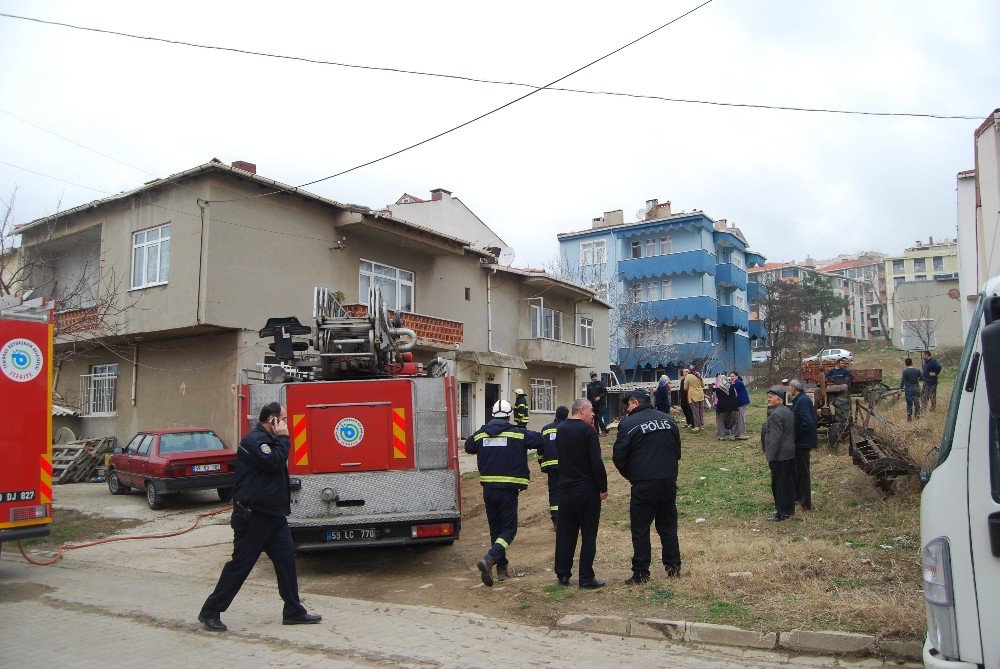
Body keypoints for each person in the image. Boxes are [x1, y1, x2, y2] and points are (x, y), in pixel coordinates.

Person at [198, 402, 321, 631]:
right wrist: (285, 438)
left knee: (286, 562)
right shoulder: (255, 441)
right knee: (240, 566)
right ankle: (210, 611)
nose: (286, 424)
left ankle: (293, 610)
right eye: (283, 419)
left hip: (274, 516)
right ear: (272, 419)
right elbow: (274, 463)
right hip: (254, 517)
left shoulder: (270, 440)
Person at [465, 399, 544, 586]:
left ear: (492, 415)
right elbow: (539, 439)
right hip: (508, 490)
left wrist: (482, 433)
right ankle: (490, 558)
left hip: (489, 490)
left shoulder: (480, 435)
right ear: (509, 416)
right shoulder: (518, 434)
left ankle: (501, 569)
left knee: (496, 530)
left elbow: (468, 446)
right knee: (509, 529)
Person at [612, 389, 682, 583]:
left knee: (641, 528)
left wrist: (632, 475)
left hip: (644, 484)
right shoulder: (668, 420)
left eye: (628, 404)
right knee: (668, 526)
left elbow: (619, 456)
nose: (627, 408)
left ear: (635, 403)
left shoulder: (628, 424)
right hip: (668, 480)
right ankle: (673, 567)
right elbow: (677, 451)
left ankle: (641, 572)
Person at [554, 399, 609, 589]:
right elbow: (596, 462)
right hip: (587, 490)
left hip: (566, 490)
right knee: (588, 534)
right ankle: (586, 577)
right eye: (591, 410)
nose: (593, 414)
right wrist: (603, 486)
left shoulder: (561, 429)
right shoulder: (588, 431)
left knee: (565, 534)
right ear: (583, 410)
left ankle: (563, 574)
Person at [761, 389, 796, 521]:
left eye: (771, 397)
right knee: (787, 483)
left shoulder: (776, 414)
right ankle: (789, 510)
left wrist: (770, 456)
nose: (769, 399)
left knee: (779, 485)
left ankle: (782, 513)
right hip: (788, 453)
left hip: (780, 456)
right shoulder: (787, 411)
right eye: (768, 397)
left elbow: (775, 438)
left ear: (780, 400)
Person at [789, 379, 818, 510]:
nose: (790, 389)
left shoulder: (803, 401)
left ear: (794, 388)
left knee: (803, 473)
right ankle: (798, 498)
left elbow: (808, 422)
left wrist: (796, 436)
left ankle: (806, 503)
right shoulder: (800, 400)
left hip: (803, 443)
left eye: (790, 387)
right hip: (800, 443)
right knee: (797, 472)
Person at [539, 405, 569, 529]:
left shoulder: (546, 429)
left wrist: (541, 462)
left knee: (554, 492)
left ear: (555, 414)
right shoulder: (569, 428)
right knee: (568, 491)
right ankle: (567, 518)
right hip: (567, 466)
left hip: (551, 466)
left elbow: (541, 448)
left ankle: (556, 520)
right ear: (567, 416)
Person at [825, 357, 856, 448]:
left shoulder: (844, 371)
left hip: (841, 389)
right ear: (838, 363)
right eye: (842, 363)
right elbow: (827, 376)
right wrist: (830, 381)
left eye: (844, 364)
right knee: (832, 401)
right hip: (834, 388)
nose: (843, 365)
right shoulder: (833, 371)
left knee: (841, 406)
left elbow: (852, 376)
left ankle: (842, 425)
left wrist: (846, 382)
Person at [713, 373, 739, 440]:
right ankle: (733, 436)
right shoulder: (732, 387)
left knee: (720, 422)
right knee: (733, 422)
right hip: (733, 407)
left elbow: (716, 396)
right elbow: (736, 395)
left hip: (722, 408)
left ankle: (722, 436)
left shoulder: (718, 388)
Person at [730, 372, 752, 440]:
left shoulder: (738, 383)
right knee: (741, 417)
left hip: (741, 403)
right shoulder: (736, 383)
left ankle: (741, 433)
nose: (732, 378)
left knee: (740, 418)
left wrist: (730, 384)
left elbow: (731, 390)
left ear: (737, 376)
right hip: (741, 402)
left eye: (733, 376)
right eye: (731, 376)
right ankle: (741, 431)